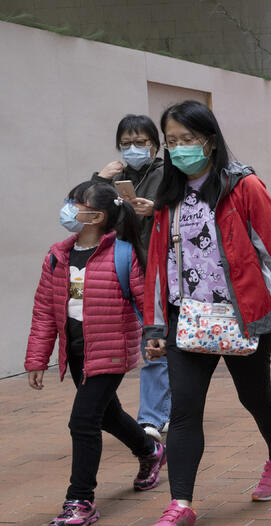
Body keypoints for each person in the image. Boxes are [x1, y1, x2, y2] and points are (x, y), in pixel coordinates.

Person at [142, 100, 271, 526]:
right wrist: (154, 327)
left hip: (244, 314)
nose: (180, 149)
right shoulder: (168, 197)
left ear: (209, 140)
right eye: (172, 142)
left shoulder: (243, 186)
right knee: (184, 410)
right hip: (188, 320)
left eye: (188, 140)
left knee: (256, 397)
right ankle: (180, 507)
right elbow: (157, 263)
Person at [25, 181, 166, 526]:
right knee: (108, 414)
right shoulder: (57, 256)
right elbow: (44, 311)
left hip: (111, 350)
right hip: (76, 351)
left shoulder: (123, 253)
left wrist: (154, 336)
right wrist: (37, 359)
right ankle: (150, 451)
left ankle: (80, 500)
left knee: (83, 421)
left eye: (75, 203)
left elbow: (145, 297)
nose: (68, 208)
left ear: (97, 216)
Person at [92, 114, 170, 444]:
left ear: (155, 145)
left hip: (157, 267)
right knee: (117, 343)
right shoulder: (115, 177)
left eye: (141, 142)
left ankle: (151, 417)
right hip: (121, 268)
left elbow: (185, 208)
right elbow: (89, 212)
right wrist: (99, 180)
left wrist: (156, 209)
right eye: (126, 144)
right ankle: (154, 408)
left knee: (154, 342)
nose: (133, 149)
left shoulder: (168, 174)